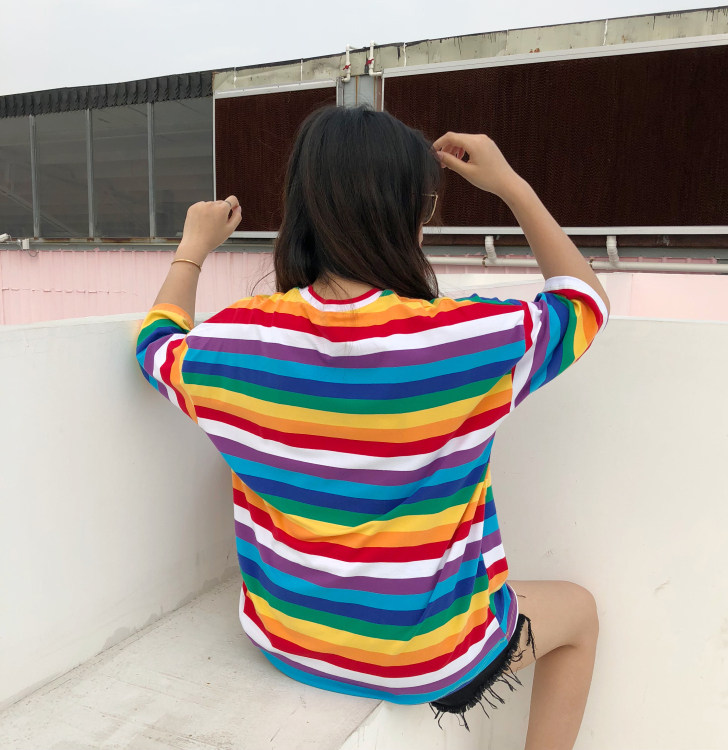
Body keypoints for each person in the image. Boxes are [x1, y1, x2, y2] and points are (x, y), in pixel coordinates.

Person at [136, 105, 608, 750]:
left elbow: (156, 344)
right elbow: (582, 302)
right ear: (408, 215)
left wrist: (193, 248)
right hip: (425, 659)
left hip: (287, 640)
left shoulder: (235, 342)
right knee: (580, 613)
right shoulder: (463, 339)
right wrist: (511, 186)